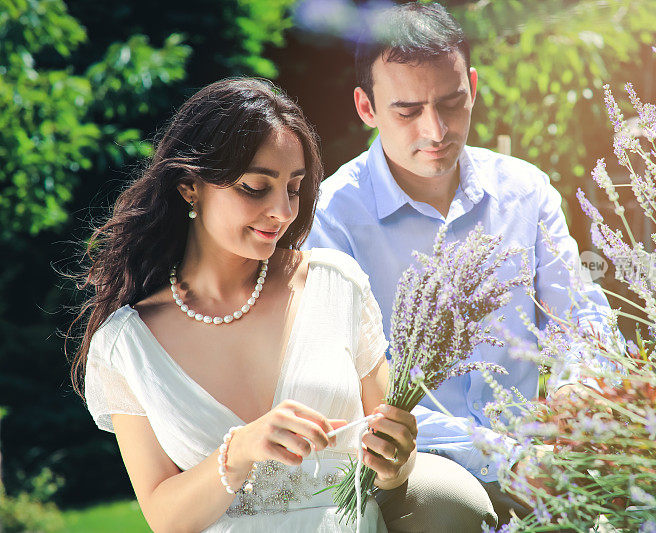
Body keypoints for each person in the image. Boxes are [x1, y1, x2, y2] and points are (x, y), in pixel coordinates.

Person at [303, 1, 618, 525]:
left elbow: (582, 314)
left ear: (471, 85)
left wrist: (576, 390)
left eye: (452, 102)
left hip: (541, 455)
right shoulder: (332, 218)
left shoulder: (526, 191)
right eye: (407, 111)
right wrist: (508, 459)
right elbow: (354, 398)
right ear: (366, 108)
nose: (436, 130)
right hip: (413, 469)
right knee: (453, 507)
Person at [70, 78, 419, 532]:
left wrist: (398, 462)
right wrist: (237, 452)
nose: (283, 211)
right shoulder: (127, 344)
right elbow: (163, 518)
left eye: (294, 188)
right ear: (189, 187)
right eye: (256, 187)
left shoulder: (336, 286)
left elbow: (391, 466)